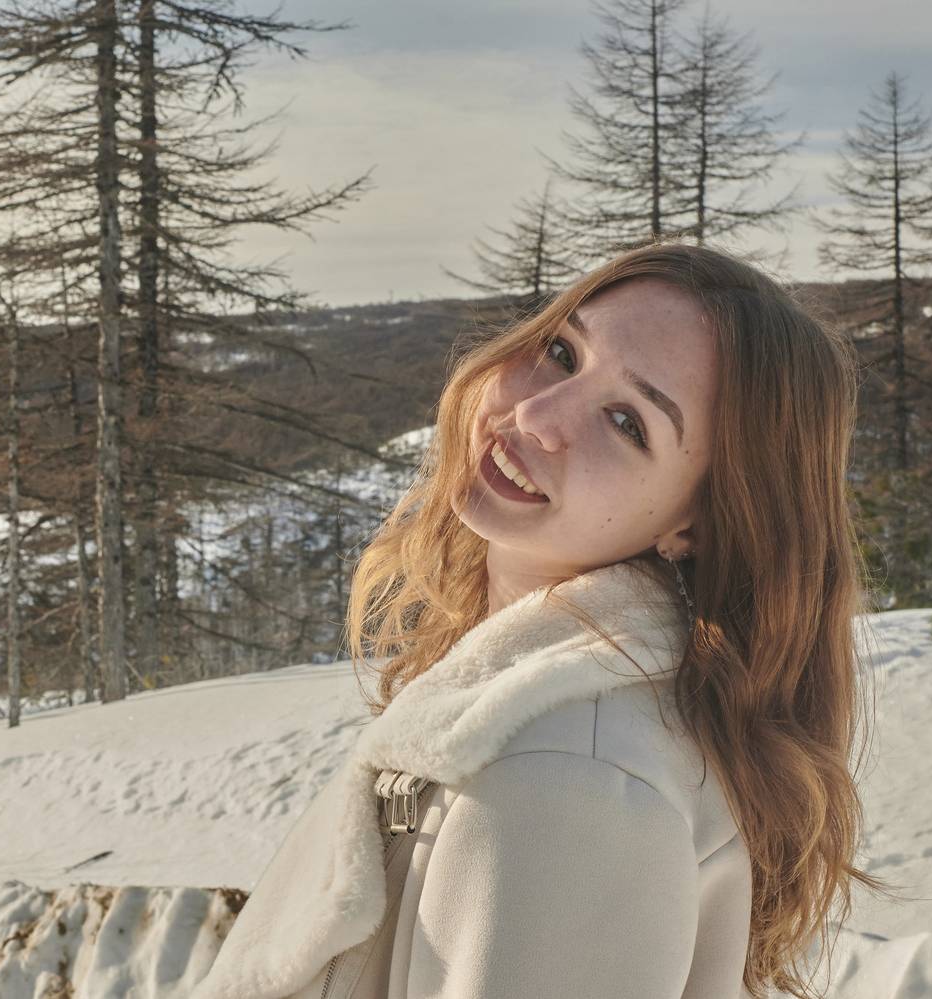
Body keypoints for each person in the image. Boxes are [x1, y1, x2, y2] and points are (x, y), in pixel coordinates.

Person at [191, 242, 894, 999]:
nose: (536, 415)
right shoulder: (546, 718)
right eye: (562, 352)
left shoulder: (569, 783)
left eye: (626, 421)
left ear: (695, 524)